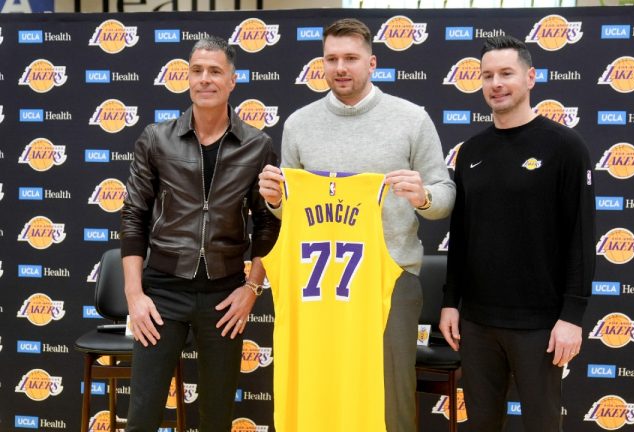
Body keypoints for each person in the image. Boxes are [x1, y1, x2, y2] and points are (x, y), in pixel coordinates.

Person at [258, 18, 455, 432]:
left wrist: (423, 196)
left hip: (391, 278)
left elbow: (444, 196)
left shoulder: (411, 119)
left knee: (388, 398)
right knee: (322, 392)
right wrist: (275, 201)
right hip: (317, 286)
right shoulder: (299, 124)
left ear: (372, 62)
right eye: (331, 59)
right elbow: (290, 213)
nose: (340, 67)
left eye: (350, 58)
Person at [120, 36, 279, 431]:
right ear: (187, 78)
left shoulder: (257, 145)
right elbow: (134, 217)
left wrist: (252, 290)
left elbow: (268, 224)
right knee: (143, 414)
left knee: (216, 417)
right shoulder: (156, 138)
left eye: (215, 71)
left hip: (225, 295)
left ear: (232, 80)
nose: (205, 78)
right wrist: (135, 296)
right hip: (162, 291)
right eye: (197, 70)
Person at [439, 35, 595, 432]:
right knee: (481, 425)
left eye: (506, 73)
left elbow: (581, 237)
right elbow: (460, 234)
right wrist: (450, 302)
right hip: (477, 322)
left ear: (530, 77)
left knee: (542, 425)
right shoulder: (471, 151)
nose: (496, 83)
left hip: (540, 324)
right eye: (487, 75)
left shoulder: (565, 146)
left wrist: (572, 317)